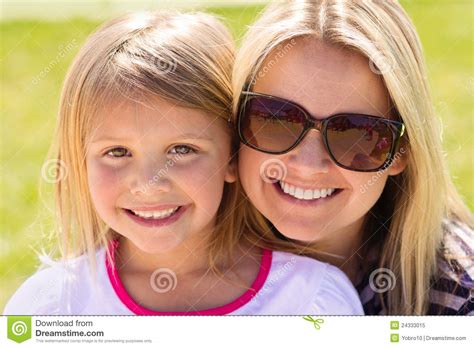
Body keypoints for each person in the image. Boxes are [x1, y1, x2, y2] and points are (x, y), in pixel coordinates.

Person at [4, 10, 363, 315]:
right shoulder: (49, 306)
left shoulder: (314, 300)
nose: (148, 183)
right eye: (117, 153)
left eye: (181, 150)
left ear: (232, 157)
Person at [232, 0, 473, 315]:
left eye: (356, 134)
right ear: (235, 120)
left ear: (402, 152)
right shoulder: (178, 251)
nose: (308, 165)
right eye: (276, 119)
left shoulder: (457, 296)